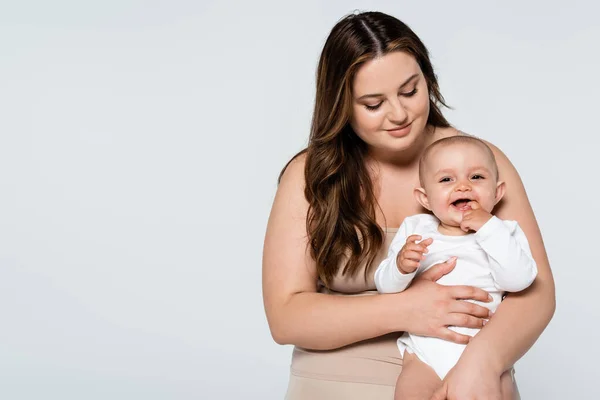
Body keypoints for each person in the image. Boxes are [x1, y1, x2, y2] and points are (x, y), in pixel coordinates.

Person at [262, 10, 555, 400]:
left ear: (428, 80)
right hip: (336, 385)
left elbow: (536, 292)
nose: (398, 114)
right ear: (342, 106)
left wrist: (480, 364)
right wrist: (405, 308)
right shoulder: (309, 175)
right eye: (373, 103)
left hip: (468, 383)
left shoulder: (478, 165)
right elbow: (286, 317)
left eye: (409, 91)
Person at [374, 136, 538, 399]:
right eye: (446, 180)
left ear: (497, 193)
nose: (463, 186)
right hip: (425, 355)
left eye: (476, 177)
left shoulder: (503, 232)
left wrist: (488, 228)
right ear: (425, 198)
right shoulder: (416, 229)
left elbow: (518, 280)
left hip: (483, 351)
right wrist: (400, 267)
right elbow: (385, 288)